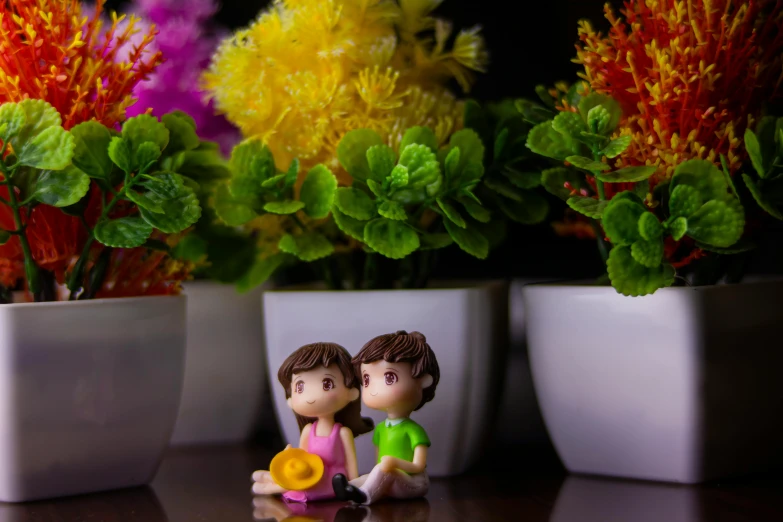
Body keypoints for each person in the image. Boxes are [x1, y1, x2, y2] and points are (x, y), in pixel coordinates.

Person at [252, 342, 373, 502]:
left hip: (333, 481)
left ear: (351, 392)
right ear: (290, 398)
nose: (311, 396)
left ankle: (269, 484)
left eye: (327, 384)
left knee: (295, 487)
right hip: (309, 475)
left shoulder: (343, 432)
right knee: (293, 482)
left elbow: (351, 462)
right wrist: (290, 456)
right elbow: (303, 457)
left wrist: (353, 484)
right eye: (300, 387)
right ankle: (269, 481)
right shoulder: (308, 430)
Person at [332, 330, 439, 505]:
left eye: (389, 377)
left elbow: (418, 466)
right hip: (388, 479)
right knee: (370, 475)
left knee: (382, 472)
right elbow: (378, 466)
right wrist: (385, 468)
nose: (374, 388)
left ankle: (364, 496)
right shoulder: (381, 429)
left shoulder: (413, 430)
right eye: (367, 379)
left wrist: (394, 463)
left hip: (414, 483)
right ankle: (347, 488)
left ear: (423, 381)